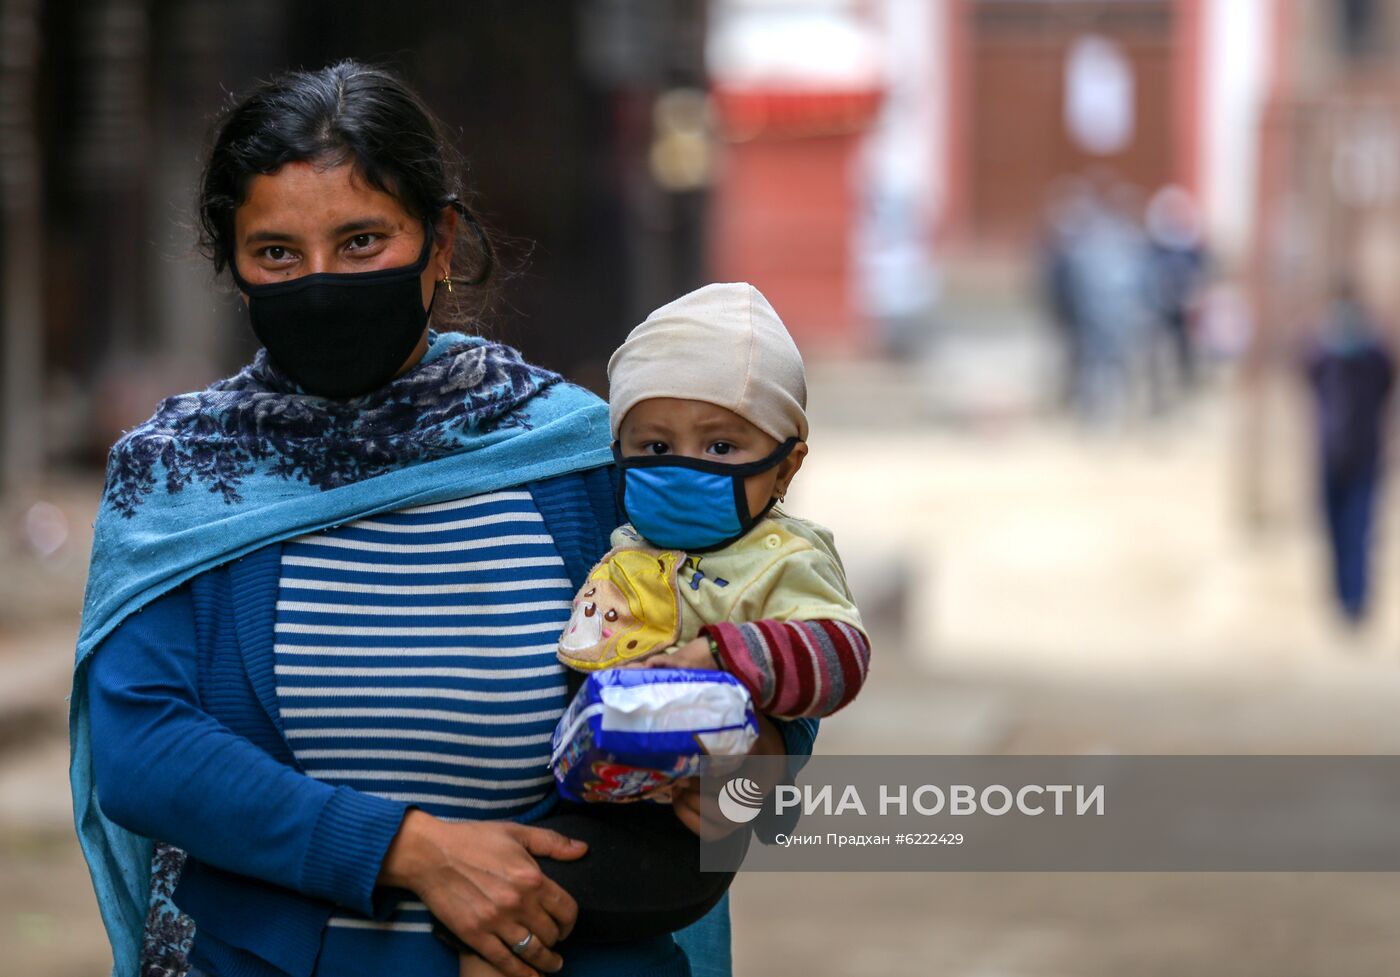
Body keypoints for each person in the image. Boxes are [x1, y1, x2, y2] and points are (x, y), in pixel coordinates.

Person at [69, 61, 816, 977]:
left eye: (360, 241)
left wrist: (752, 763)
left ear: (440, 240)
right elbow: (143, 746)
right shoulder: (182, 472)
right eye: (277, 253)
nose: (320, 279)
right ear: (232, 260)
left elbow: (744, 636)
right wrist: (413, 849)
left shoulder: (577, 455)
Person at [1304, 282, 1396, 625]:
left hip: (1360, 452)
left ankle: (1353, 602)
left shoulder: (1371, 353)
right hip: (1337, 450)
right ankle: (1345, 600)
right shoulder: (1322, 350)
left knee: (1356, 529)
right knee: (1338, 529)